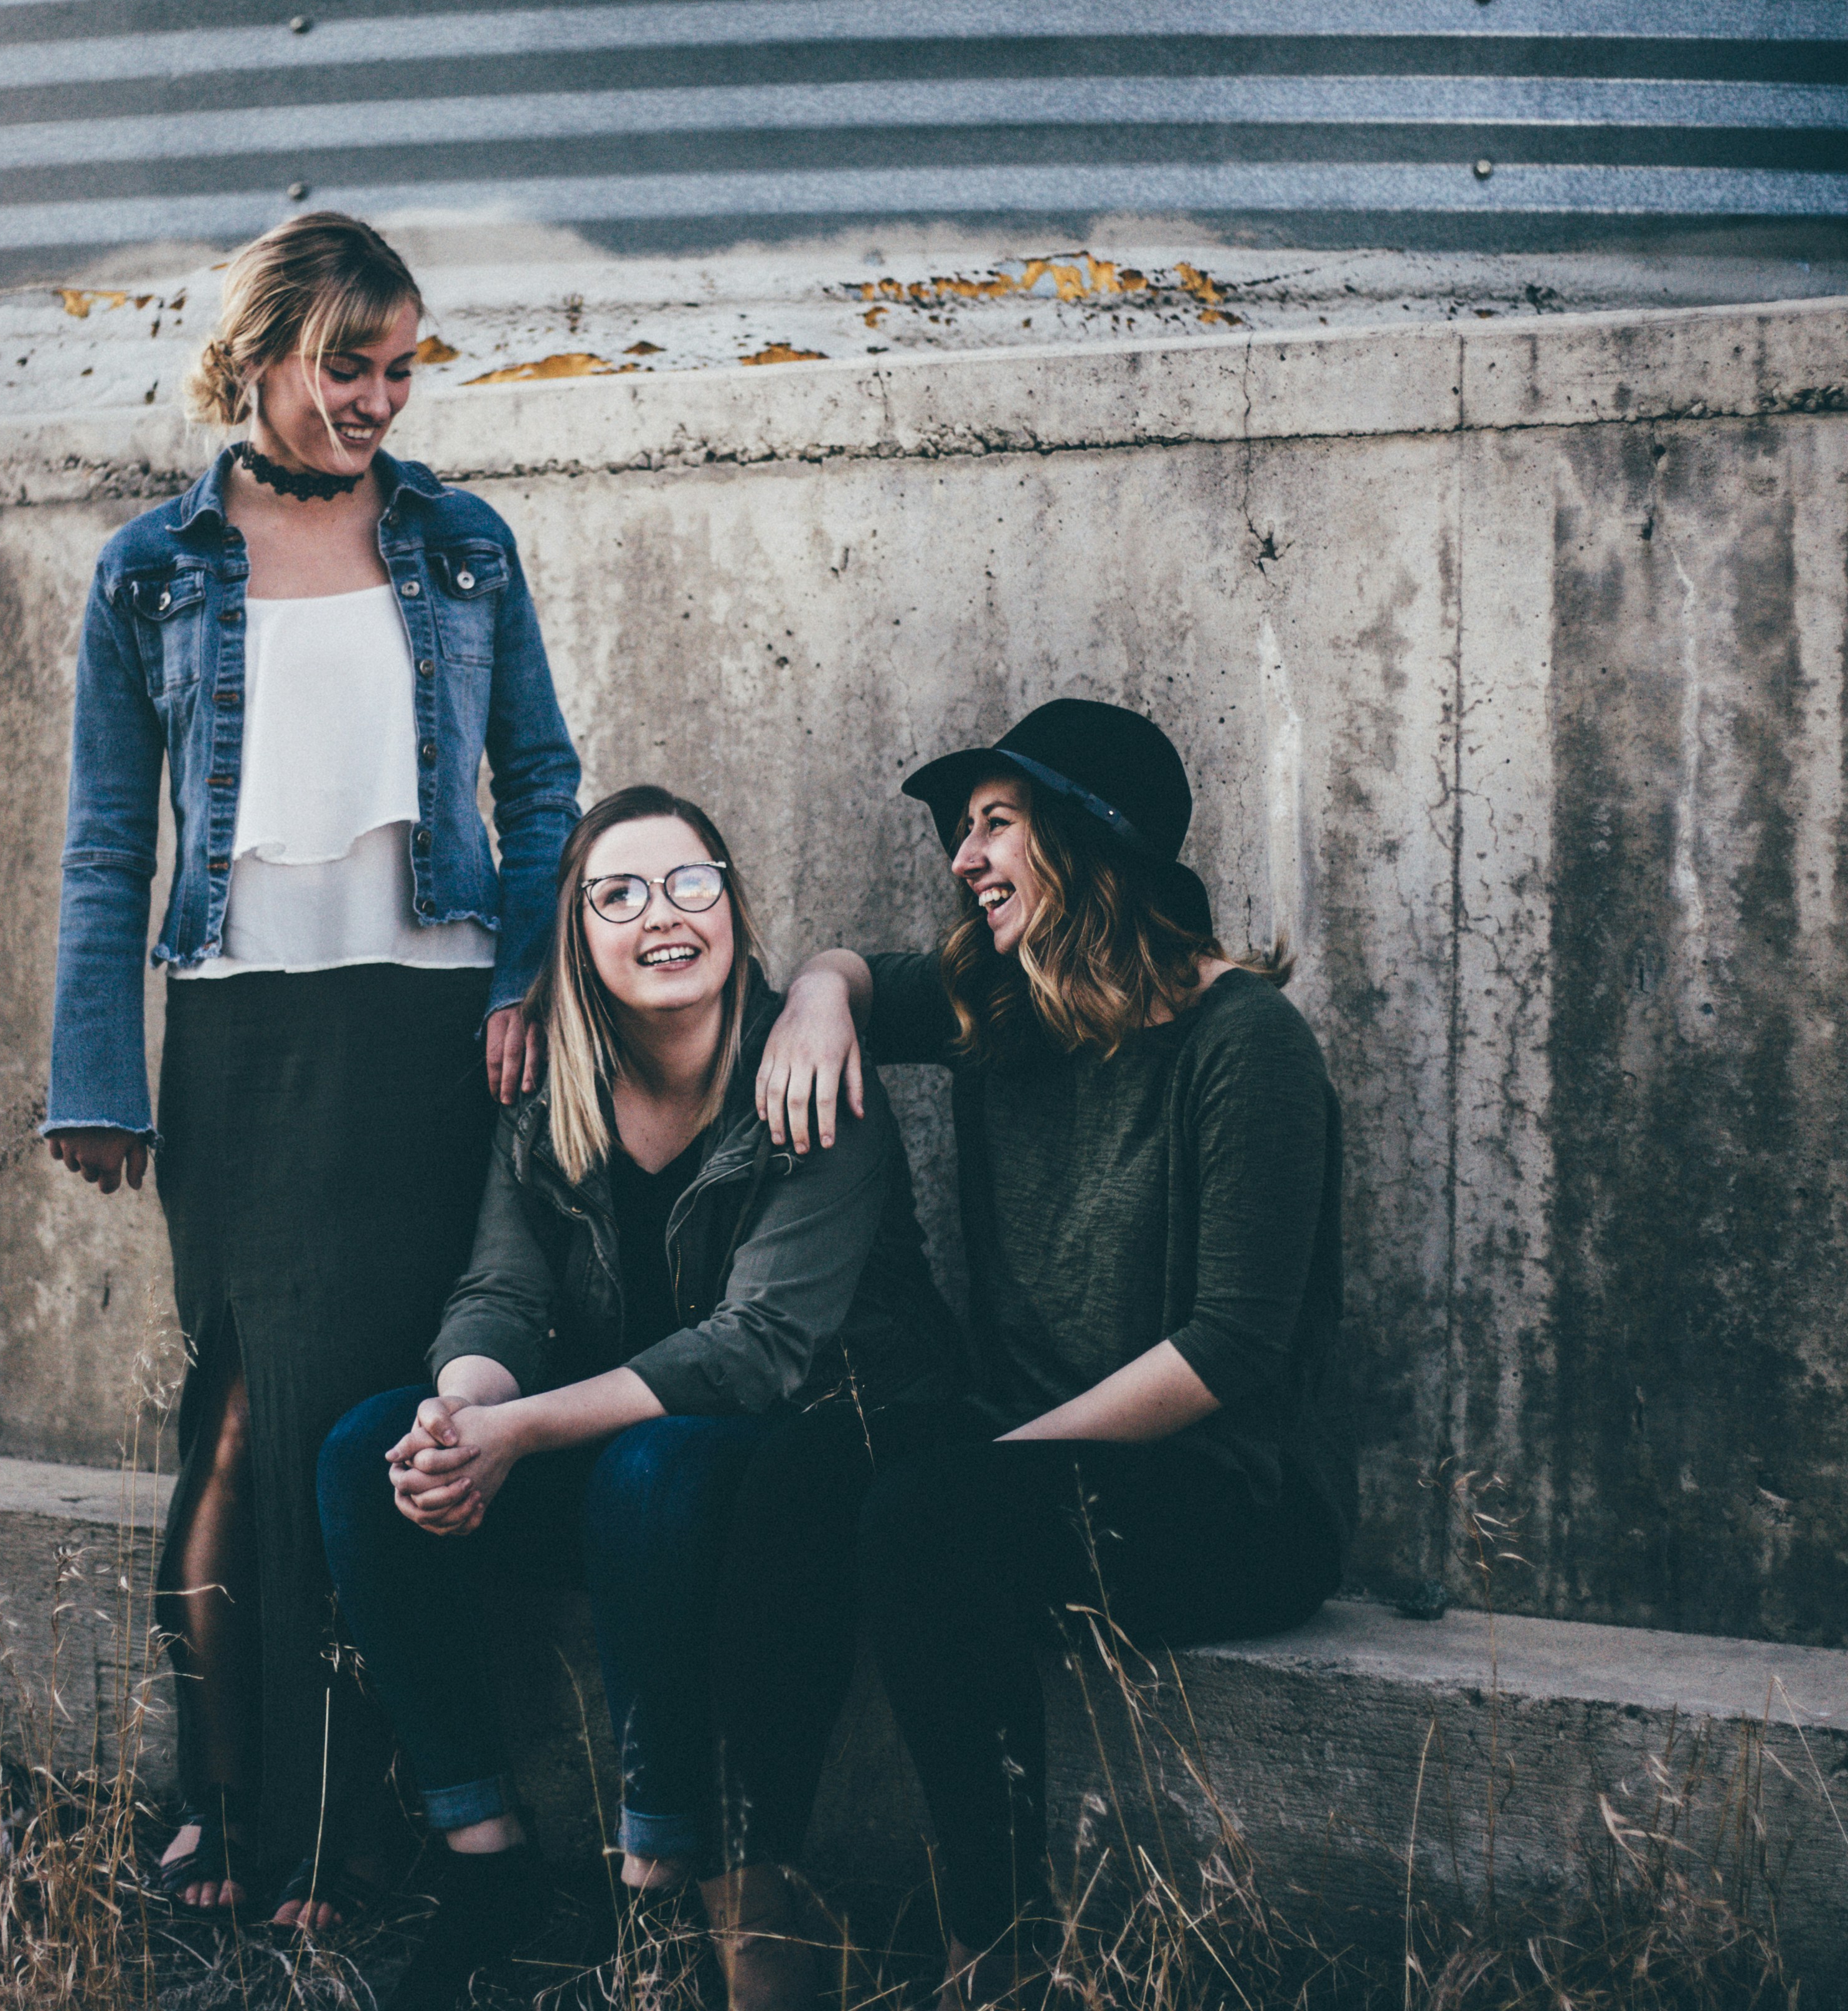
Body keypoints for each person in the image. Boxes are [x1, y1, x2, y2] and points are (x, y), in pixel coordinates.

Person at [40, 212, 583, 1925]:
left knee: (387, 1424)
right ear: (262, 353)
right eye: (349, 364)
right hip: (245, 1048)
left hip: (433, 1043)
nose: (380, 399)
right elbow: (110, 846)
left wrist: (520, 974)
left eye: (404, 366)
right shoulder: (151, 568)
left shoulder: (466, 546)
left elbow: (546, 785)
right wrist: (98, 1073)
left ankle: (370, 1822)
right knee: (242, 1419)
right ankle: (223, 1807)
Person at [738, 698, 1349, 2005]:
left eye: (996, 824)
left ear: (1089, 842)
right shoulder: (995, 1004)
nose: (963, 860)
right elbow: (846, 965)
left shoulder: (1245, 1044)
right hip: (1027, 1466)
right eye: (962, 833)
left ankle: (996, 1954)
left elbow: (1230, 1348)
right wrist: (816, 1003)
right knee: (798, 1472)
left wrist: (995, 1461)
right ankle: (762, 1899)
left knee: (926, 1514)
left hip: (1228, 1496)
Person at [315, 787, 960, 2011]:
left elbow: (754, 1351)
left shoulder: (812, 1075)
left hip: (791, 1462)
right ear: (579, 936)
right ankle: (487, 1865)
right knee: (363, 1451)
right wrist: (459, 1419)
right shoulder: (550, 1096)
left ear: (732, 903)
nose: (662, 916)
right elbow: (498, 1292)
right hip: (627, 1474)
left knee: (651, 1466)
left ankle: (664, 1863)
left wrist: (520, 1431)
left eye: (689, 883)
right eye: (619, 894)